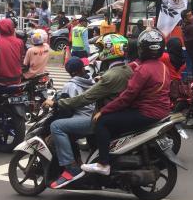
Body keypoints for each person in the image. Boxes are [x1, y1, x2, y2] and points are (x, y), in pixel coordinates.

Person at [43, 35, 131, 186]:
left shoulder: (108, 76)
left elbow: (83, 99)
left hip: (98, 117)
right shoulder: (122, 70)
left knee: (56, 126)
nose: (101, 51)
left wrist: (57, 104)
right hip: (109, 113)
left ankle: (71, 169)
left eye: (103, 48)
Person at [82, 29, 171, 175]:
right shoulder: (162, 67)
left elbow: (126, 97)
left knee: (102, 122)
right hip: (161, 111)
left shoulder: (143, 70)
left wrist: (103, 111)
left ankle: (103, 164)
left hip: (145, 113)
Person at [47, 57, 95, 188]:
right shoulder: (93, 80)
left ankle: (71, 168)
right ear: (82, 68)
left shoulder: (70, 85)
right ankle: (78, 162)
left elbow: (65, 109)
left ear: (71, 72)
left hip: (85, 119)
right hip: (94, 118)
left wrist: (54, 104)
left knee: (56, 126)